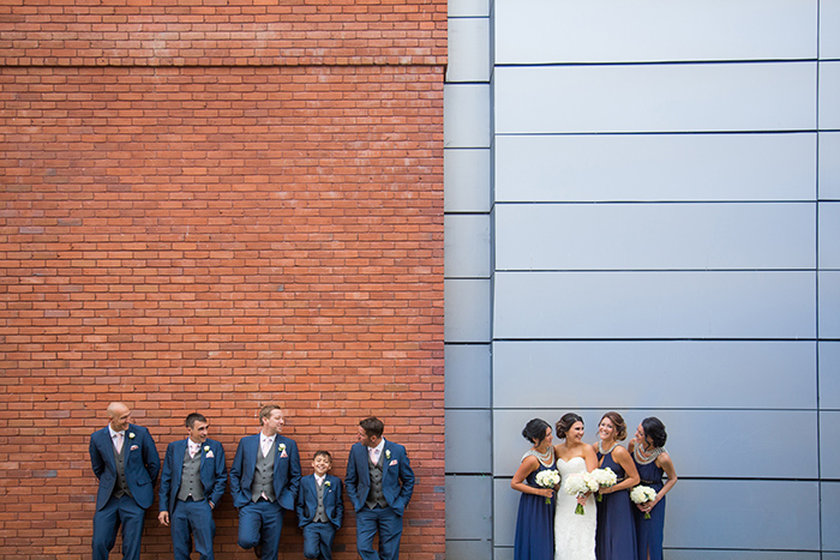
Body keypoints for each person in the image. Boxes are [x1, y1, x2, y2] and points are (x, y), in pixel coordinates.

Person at [89, 402, 161, 560]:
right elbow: (98, 468)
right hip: (109, 499)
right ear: (111, 419)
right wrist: (110, 483)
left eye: (128, 415)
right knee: (99, 542)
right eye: (123, 418)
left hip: (134, 499)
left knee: (131, 546)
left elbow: (154, 464)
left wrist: (143, 486)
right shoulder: (97, 438)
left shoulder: (141, 433)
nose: (128, 419)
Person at [230, 404, 301, 560]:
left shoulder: (289, 445)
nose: (282, 422)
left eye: (282, 418)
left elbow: (296, 475)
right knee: (246, 540)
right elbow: (235, 472)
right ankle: (258, 541)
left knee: (271, 552)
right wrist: (238, 498)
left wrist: (288, 496)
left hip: (275, 504)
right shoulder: (246, 443)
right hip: (250, 502)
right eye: (278, 418)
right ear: (265, 420)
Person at [158, 412, 227, 560]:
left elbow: (221, 477)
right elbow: (166, 479)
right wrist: (164, 508)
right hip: (179, 504)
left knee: (206, 550)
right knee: (180, 549)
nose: (205, 432)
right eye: (201, 429)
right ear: (189, 430)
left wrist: (212, 502)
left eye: (206, 428)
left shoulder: (215, 447)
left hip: (202, 503)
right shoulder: (174, 448)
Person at [345, 416, 415, 560]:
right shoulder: (356, 450)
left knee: (389, 554)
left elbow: (408, 479)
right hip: (366, 509)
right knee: (363, 547)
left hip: (390, 509)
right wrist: (357, 503)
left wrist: (400, 503)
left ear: (373, 437)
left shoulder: (397, 450)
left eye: (361, 434)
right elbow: (350, 480)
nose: (357, 436)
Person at [592, 412, 639, 560]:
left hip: (617, 500)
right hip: (600, 500)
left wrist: (611, 489)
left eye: (609, 426)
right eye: (603, 424)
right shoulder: (595, 448)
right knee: (601, 537)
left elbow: (634, 478)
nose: (604, 429)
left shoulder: (619, 451)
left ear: (617, 431)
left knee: (617, 539)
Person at [629, 417, 677, 560]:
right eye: (637, 431)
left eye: (640, 433)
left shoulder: (662, 458)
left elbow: (673, 478)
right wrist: (633, 493)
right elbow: (629, 472)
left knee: (651, 540)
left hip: (653, 499)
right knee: (635, 537)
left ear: (650, 438)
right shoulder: (632, 445)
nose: (636, 435)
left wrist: (655, 500)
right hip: (633, 496)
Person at [553, 412, 598, 560]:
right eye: (577, 429)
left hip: (583, 501)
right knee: (563, 539)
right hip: (563, 501)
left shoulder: (587, 449)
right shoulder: (556, 450)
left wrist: (586, 494)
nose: (581, 432)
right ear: (566, 431)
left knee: (582, 540)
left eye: (582, 428)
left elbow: (594, 478)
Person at [511, 418, 556, 560]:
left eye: (550, 433)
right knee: (538, 541)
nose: (551, 437)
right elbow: (515, 483)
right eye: (547, 435)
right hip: (535, 505)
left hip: (550, 503)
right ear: (536, 439)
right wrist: (540, 492)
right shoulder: (531, 460)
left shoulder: (552, 451)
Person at [296, 450, 344, 560]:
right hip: (310, 523)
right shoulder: (305, 481)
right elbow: (300, 504)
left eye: (326, 461)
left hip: (328, 524)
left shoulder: (335, 482)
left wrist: (337, 521)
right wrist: (302, 520)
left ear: (330, 466)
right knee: (310, 552)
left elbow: (339, 504)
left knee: (326, 554)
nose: (321, 463)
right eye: (318, 460)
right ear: (312, 463)